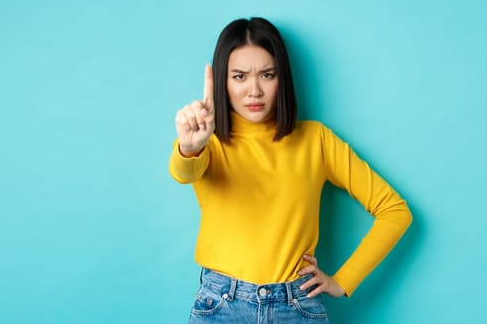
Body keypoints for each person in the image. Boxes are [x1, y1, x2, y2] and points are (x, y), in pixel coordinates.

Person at [169, 17, 412, 323]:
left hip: (295, 307)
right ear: (222, 80)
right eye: (240, 76)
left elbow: (394, 210)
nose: (254, 90)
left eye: (267, 74)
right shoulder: (209, 142)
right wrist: (190, 146)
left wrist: (343, 280)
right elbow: (183, 172)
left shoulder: (316, 140)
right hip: (221, 306)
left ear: (281, 78)